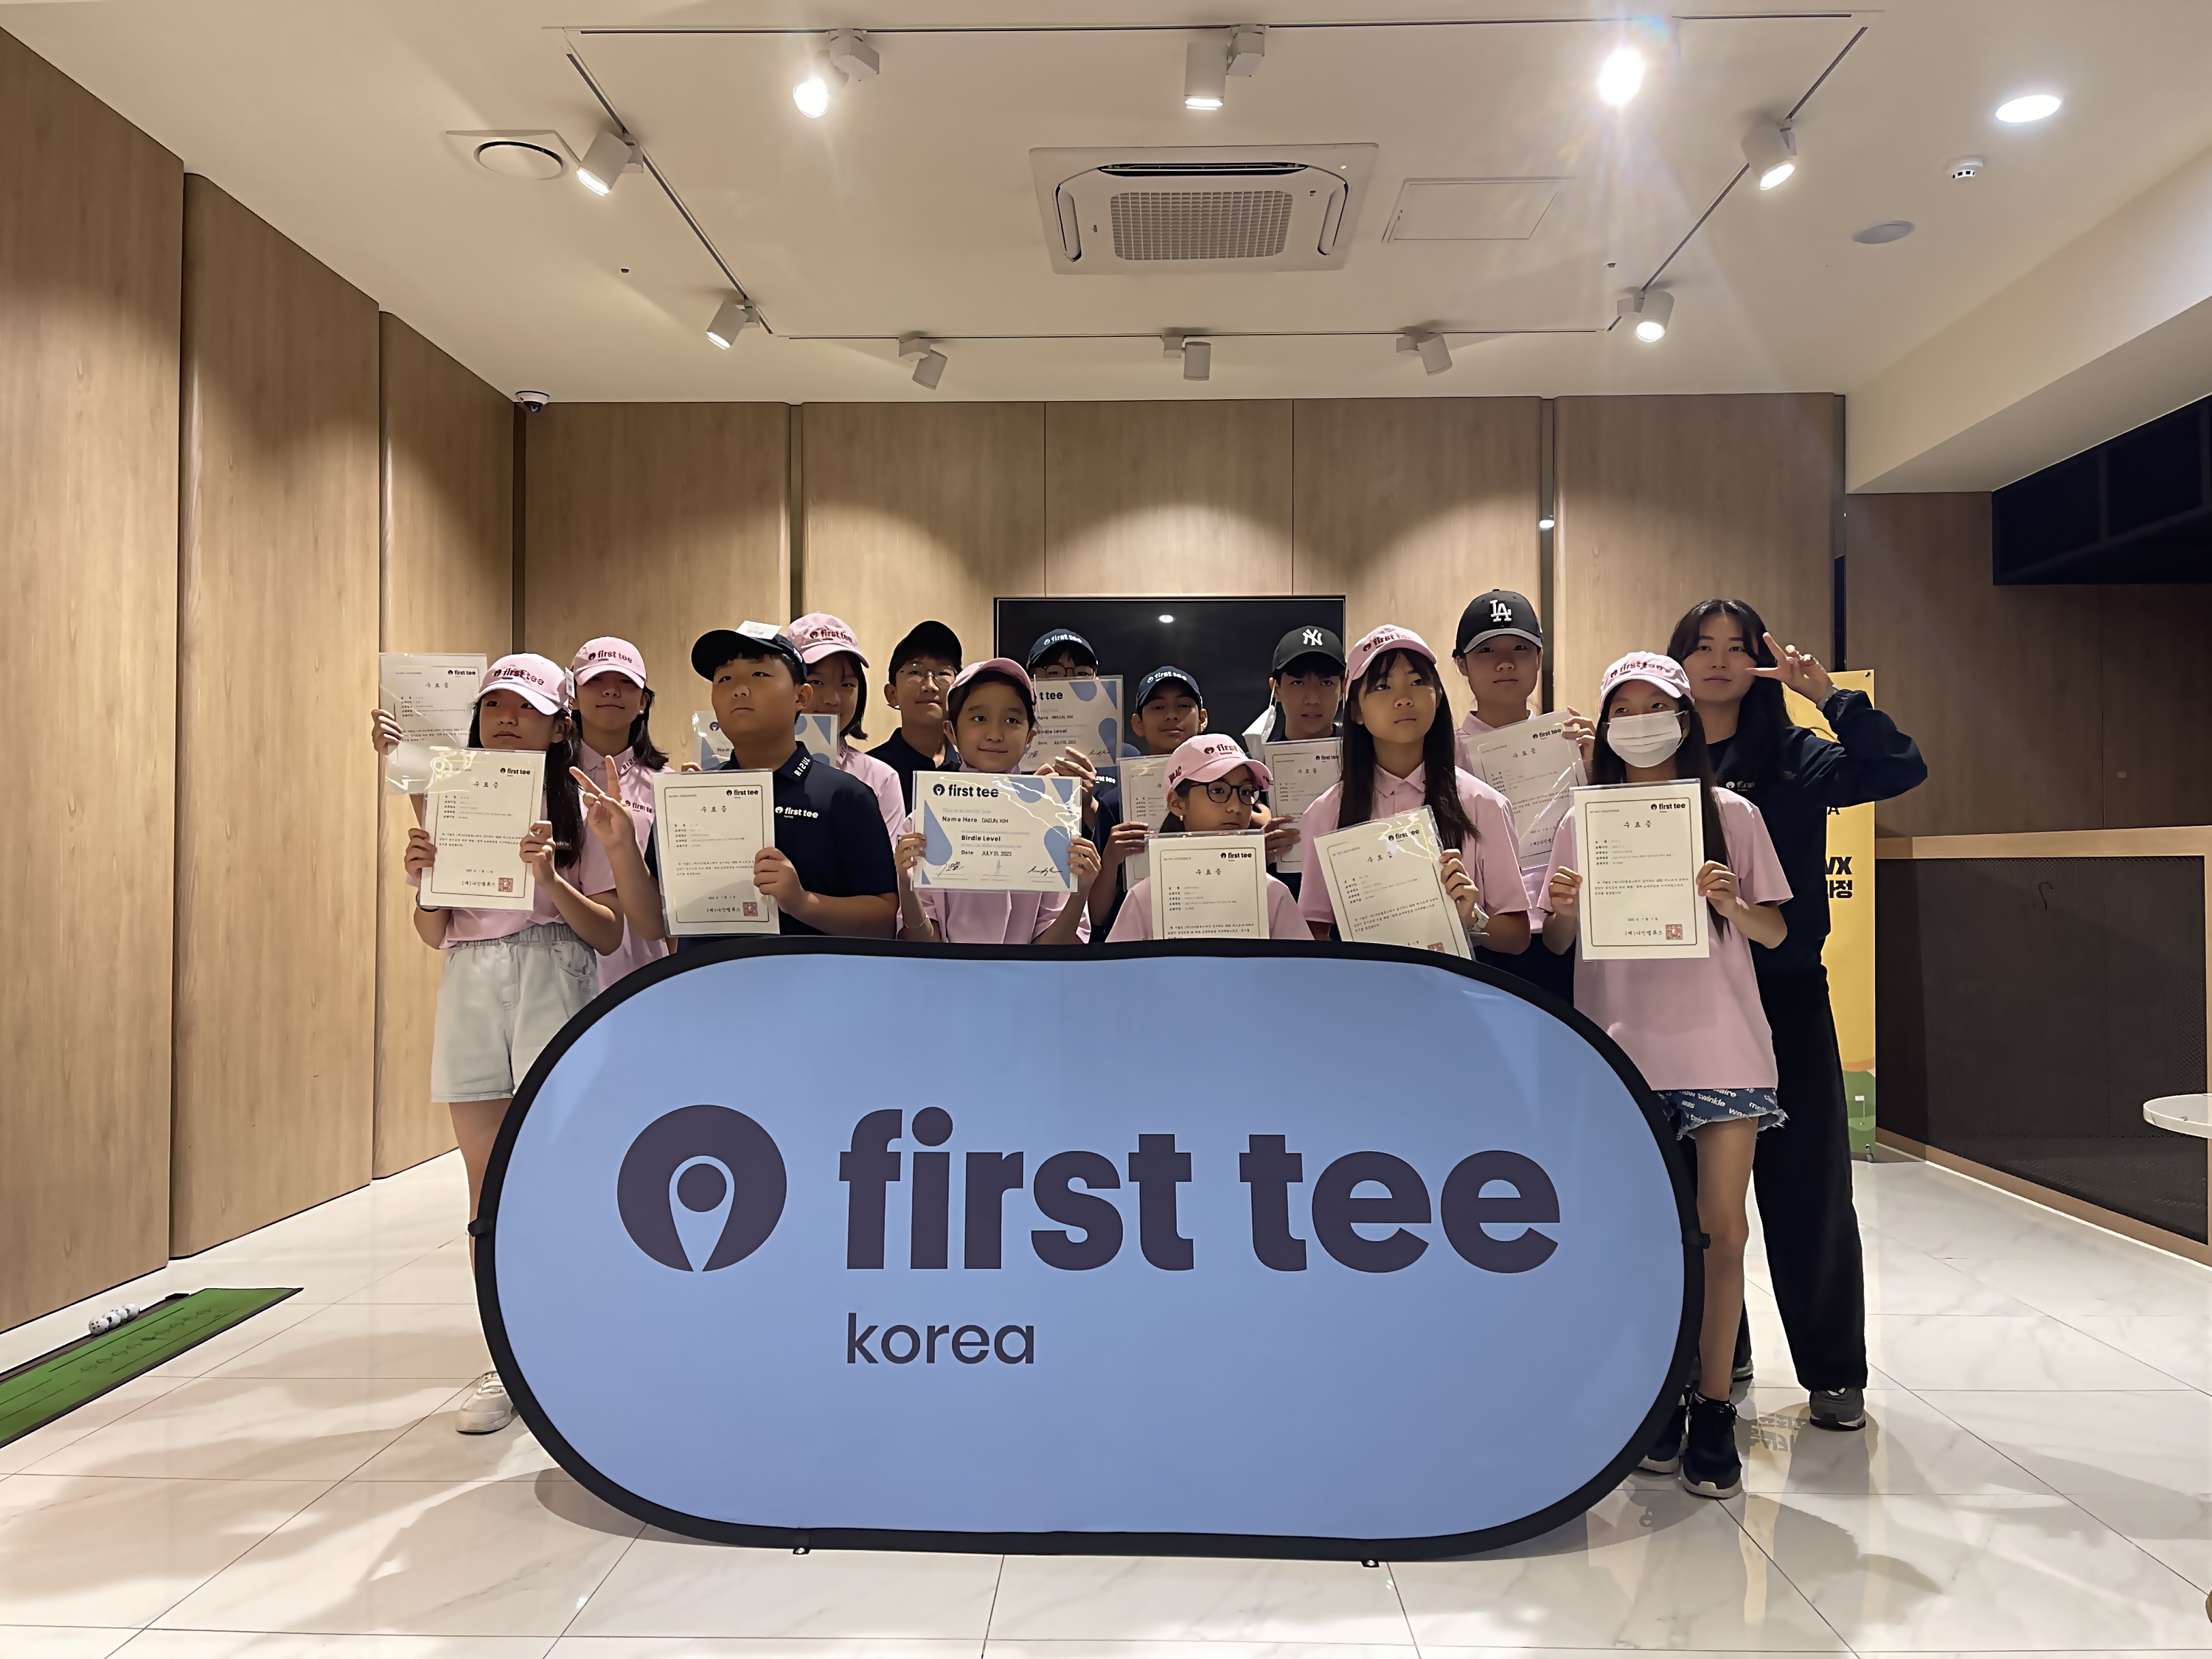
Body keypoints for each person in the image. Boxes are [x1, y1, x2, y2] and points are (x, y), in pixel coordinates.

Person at [1535, 650, 1791, 1500]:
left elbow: (1776, 933)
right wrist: (1563, 911)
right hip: (1624, 1052)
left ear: (1685, 720)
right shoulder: (1583, 821)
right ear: (1605, 724)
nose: (1641, 721)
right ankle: (1663, 1397)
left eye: (1657, 706)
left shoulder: (1732, 815)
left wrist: (1731, 903)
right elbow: (1559, 944)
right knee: (1646, 1239)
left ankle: (1714, 1406)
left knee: (1724, 1234)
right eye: (1624, 707)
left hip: (1721, 1048)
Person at [1669, 599, 1927, 1433]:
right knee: (1698, 1196)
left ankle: (1833, 1370)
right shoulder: (1654, 760)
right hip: (1685, 1002)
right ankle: (1723, 1351)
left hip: (1783, 993)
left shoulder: (1795, 756)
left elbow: (1898, 768)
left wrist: (1829, 697)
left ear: (1761, 663)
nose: (1718, 662)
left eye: (1736, 648)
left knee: (1808, 1187)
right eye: (1701, 647)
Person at [398, 655, 627, 1436]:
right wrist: (425, 877)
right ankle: (506, 1359)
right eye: (495, 704)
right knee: (486, 1188)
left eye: (526, 707)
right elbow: (434, 933)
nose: (506, 717)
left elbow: (609, 932)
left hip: (552, 972)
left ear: (559, 726)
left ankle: (571, 1348)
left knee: (556, 1178)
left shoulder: (578, 806)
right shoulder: (452, 796)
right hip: (469, 979)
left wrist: (551, 879)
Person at [1294, 626, 1530, 953]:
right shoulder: (1325, 813)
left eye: (1418, 682)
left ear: (1438, 696)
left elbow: (1517, 938)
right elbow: (1314, 930)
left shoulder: (1483, 804)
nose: (1404, 698)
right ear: (1357, 711)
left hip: (1456, 984)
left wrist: (1471, 917)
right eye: (1383, 686)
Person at [683, 624, 897, 939]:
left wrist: (802, 902)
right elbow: (653, 922)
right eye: (725, 679)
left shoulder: (846, 796)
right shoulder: (692, 796)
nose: (739, 689)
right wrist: (621, 847)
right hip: (709, 969)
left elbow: (883, 922)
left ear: (801, 696)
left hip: (810, 970)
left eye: (758, 674)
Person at [893, 658, 1099, 945]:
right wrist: (906, 884)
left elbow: (1051, 951)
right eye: (979, 719)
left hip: (1025, 975)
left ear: (1030, 737)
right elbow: (923, 943)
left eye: (1012, 720)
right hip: (948, 974)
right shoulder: (924, 821)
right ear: (951, 732)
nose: (995, 735)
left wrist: (1080, 893)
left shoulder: (1053, 820)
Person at [1449, 591, 1593, 1002]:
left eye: (1520, 649)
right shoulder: (1442, 758)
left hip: (1564, 934)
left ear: (1540, 658)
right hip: (1482, 938)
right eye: (1486, 651)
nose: (1505, 662)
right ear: (1461, 664)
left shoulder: (1575, 745)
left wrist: (1599, 773)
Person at [1106, 734, 1309, 941]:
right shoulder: (1145, 898)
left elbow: (1302, 962)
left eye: (1246, 791)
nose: (1236, 807)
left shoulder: (1273, 894)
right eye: (1218, 790)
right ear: (1177, 804)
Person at [566, 637, 675, 989]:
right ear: (572, 696)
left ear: (643, 702)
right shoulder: (546, 781)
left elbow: (676, 898)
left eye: (626, 682)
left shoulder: (669, 787)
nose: (611, 690)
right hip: (556, 973)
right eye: (596, 679)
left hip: (644, 971)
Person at [1024, 628, 1128, 939]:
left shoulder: (1123, 757)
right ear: (1031, 681)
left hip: (1101, 916)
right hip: (1029, 915)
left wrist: (1088, 804)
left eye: (1082, 673)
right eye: (1054, 672)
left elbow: (1125, 845)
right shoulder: (1013, 756)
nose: (1068, 682)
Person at [785, 612, 905, 843]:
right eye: (816, 682)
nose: (833, 699)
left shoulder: (879, 778)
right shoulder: (753, 768)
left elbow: (884, 864)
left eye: (847, 684)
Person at [1253, 625, 1346, 899]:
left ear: (1343, 687)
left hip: (1354, 908)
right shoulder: (1253, 771)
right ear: (1276, 689)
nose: (1313, 699)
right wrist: (1255, 849)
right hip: (1282, 912)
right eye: (1297, 683)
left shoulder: (1368, 758)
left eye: (1326, 683)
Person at [869, 620, 962, 810]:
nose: (930, 686)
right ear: (892, 694)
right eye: (915, 672)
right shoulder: (868, 773)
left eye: (943, 672)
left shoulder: (973, 773)